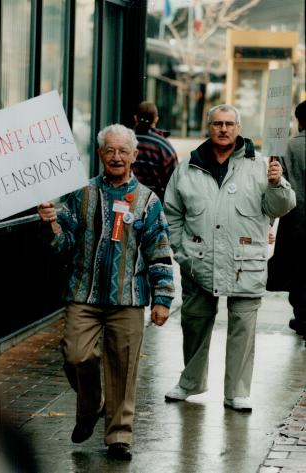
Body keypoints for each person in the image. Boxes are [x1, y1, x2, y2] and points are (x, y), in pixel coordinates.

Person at [37, 124, 174, 461]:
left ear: (134, 155)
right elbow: (63, 246)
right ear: (100, 154)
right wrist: (52, 221)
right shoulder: (81, 193)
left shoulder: (147, 200)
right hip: (84, 293)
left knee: (123, 367)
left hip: (128, 297)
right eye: (109, 151)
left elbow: (159, 250)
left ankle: (118, 437)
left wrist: (162, 299)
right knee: (76, 355)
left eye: (122, 151)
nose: (116, 157)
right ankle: (92, 405)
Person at [163, 104, 296, 411]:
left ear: (238, 128)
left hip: (245, 263)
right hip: (198, 262)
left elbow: (282, 206)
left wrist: (277, 183)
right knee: (194, 323)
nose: (223, 129)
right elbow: (172, 212)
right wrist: (181, 252)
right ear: (208, 128)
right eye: (217, 124)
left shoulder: (262, 165)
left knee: (243, 329)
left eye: (229, 124)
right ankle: (190, 382)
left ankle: (237, 391)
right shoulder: (188, 167)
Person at [267, 100, 306, 339]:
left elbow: (275, 187)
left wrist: (268, 223)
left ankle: (301, 315)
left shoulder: (287, 147)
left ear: (299, 120)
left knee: (298, 273)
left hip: (296, 223)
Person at [132, 101, 179, 203]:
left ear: (135, 118)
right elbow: (175, 181)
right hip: (154, 204)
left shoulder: (124, 140)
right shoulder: (163, 146)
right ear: (156, 119)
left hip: (125, 201)